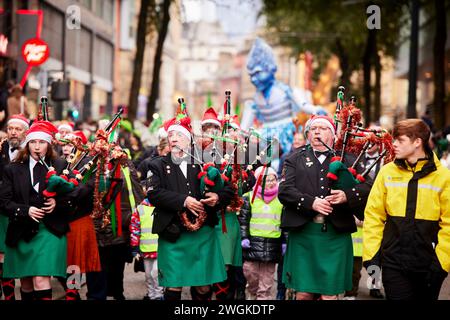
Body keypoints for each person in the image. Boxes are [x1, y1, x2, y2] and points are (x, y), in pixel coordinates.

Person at [278, 115, 370, 300]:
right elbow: (285, 191)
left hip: (335, 236)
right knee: (303, 294)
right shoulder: (294, 158)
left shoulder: (348, 159)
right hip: (304, 233)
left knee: (330, 296)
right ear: (308, 134)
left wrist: (347, 196)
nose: (317, 131)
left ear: (333, 134)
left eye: (323, 128)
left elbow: (367, 187)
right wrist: (310, 202)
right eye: (313, 128)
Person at [146, 115, 233, 301]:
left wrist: (217, 197)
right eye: (171, 135)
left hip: (203, 233)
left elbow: (229, 189)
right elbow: (153, 193)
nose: (174, 138)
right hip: (173, 232)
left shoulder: (206, 162)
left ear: (189, 138)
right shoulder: (157, 165)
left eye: (179, 134)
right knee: (173, 285)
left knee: (203, 286)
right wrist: (184, 200)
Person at [363, 119, 450, 300]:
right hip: (393, 264)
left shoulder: (444, 177)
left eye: (400, 140)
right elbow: (373, 216)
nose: (393, 144)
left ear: (417, 142)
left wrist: (441, 264)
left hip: (430, 266)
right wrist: (371, 258)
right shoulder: (387, 172)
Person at [0, 120, 74, 300]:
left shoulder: (60, 166)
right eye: (33, 142)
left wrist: (57, 202)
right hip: (22, 230)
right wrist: (26, 210)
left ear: (48, 144)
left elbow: (74, 194)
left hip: (49, 230)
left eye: (41, 142)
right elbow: (4, 202)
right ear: (27, 144)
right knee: (25, 282)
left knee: (41, 278)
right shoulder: (13, 169)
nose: (37, 147)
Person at [239, 166, 284, 300]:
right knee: (250, 272)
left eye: (273, 179)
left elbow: (284, 222)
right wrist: (244, 237)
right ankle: (252, 293)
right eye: (267, 180)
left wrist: (284, 242)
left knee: (266, 283)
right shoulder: (249, 197)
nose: (271, 183)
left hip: (272, 244)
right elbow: (243, 220)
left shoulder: (281, 198)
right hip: (252, 243)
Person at [0, 114, 30, 300]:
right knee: (2, 256)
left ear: (25, 132)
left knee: (22, 254)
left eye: (18, 129)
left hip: (22, 209)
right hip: (1, 210)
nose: (13, 132)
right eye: (11, 128)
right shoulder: (0, 148)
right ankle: (9, 296)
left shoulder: (31, 150)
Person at [130, 198, 164, 300]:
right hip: (146, 250)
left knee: (155, 273)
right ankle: (151, 295)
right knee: (148, 275)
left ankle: (159, 295)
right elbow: (135, 228)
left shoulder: (163, 206)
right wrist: (135, 248)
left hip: (160, 249)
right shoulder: (140, 209)